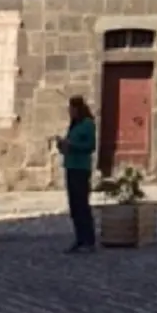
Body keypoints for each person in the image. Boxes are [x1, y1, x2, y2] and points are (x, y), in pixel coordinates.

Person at [56, 96, 97, 253]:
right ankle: (79, 238)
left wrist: (73, 145)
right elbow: (70, 144)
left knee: (82, 204)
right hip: (71, 166)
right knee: (74, 205)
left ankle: (89, 240)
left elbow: (90, 145)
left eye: (72, 109)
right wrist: (62, 145)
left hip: (81, 168)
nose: (70, 112)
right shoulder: (74, 125)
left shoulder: (87, 124)